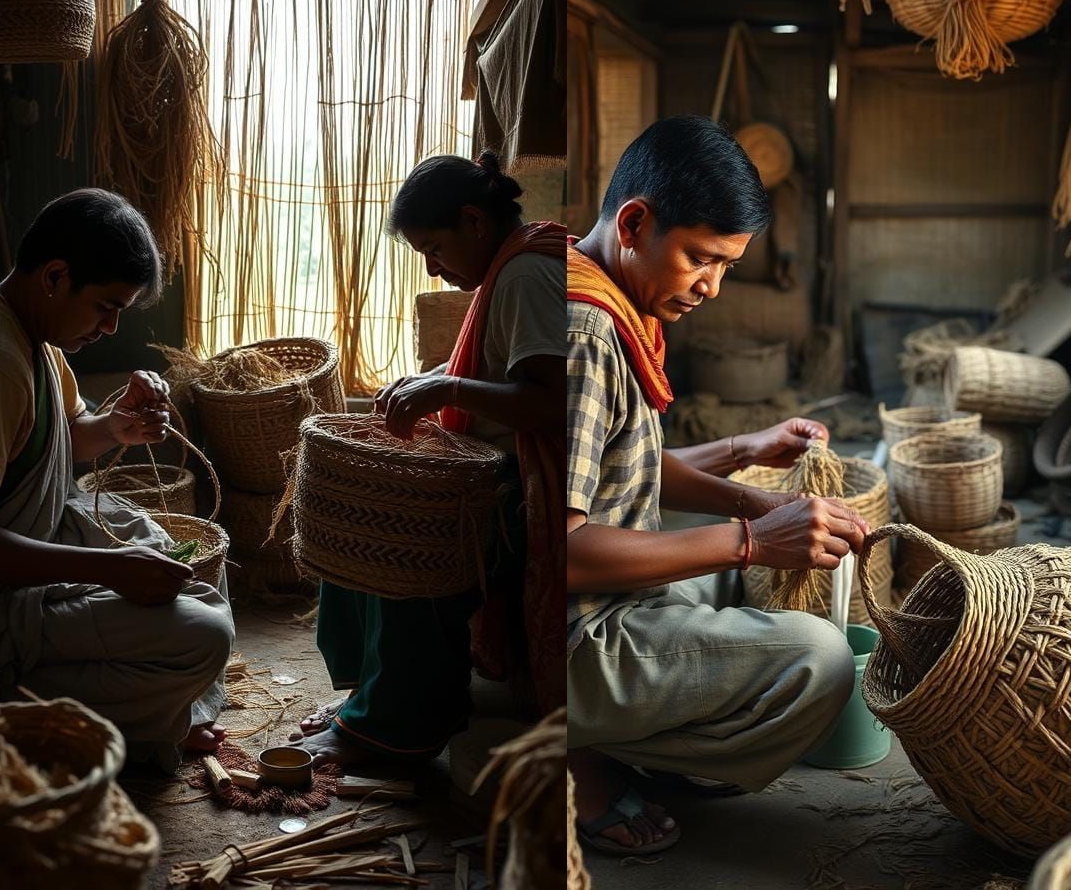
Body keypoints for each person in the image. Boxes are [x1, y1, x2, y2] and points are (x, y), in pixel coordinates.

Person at [567, 116, 866, 860]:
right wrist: (752, 539)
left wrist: (747, 469)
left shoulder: (601, 290)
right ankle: (581, 757)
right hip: (565, 635)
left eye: (727, 266)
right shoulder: (585, 335)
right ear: (634, 224)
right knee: (821, 659)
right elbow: (558, 553)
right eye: (701, 259)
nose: (712, 287)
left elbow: (626, 462)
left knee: (736, 586)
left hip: (605, 599)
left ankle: (627, 737)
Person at [295, 150, 566, 769]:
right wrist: (433, 377)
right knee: (352, 510)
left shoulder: (526, 274)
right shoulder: (509, 265)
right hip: (496, 473)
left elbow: (553, 402)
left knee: (399, 538)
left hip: (526, 492)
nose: (433, 268)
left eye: (435, 249)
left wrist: (447, 389)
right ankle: (371, 694)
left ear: (474, 221)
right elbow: (498, 361)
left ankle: (397, 728)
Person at [0, 187, 234, 769]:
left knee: (184, 557)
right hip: (1, 598)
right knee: (204, 635)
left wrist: (117, 427)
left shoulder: (37, 339)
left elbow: (64, 436)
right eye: (105, 307)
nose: (109, 327)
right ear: (55, 276)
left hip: (39, 535)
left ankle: (163, 710)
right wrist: (107, 569)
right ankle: (20, 714)